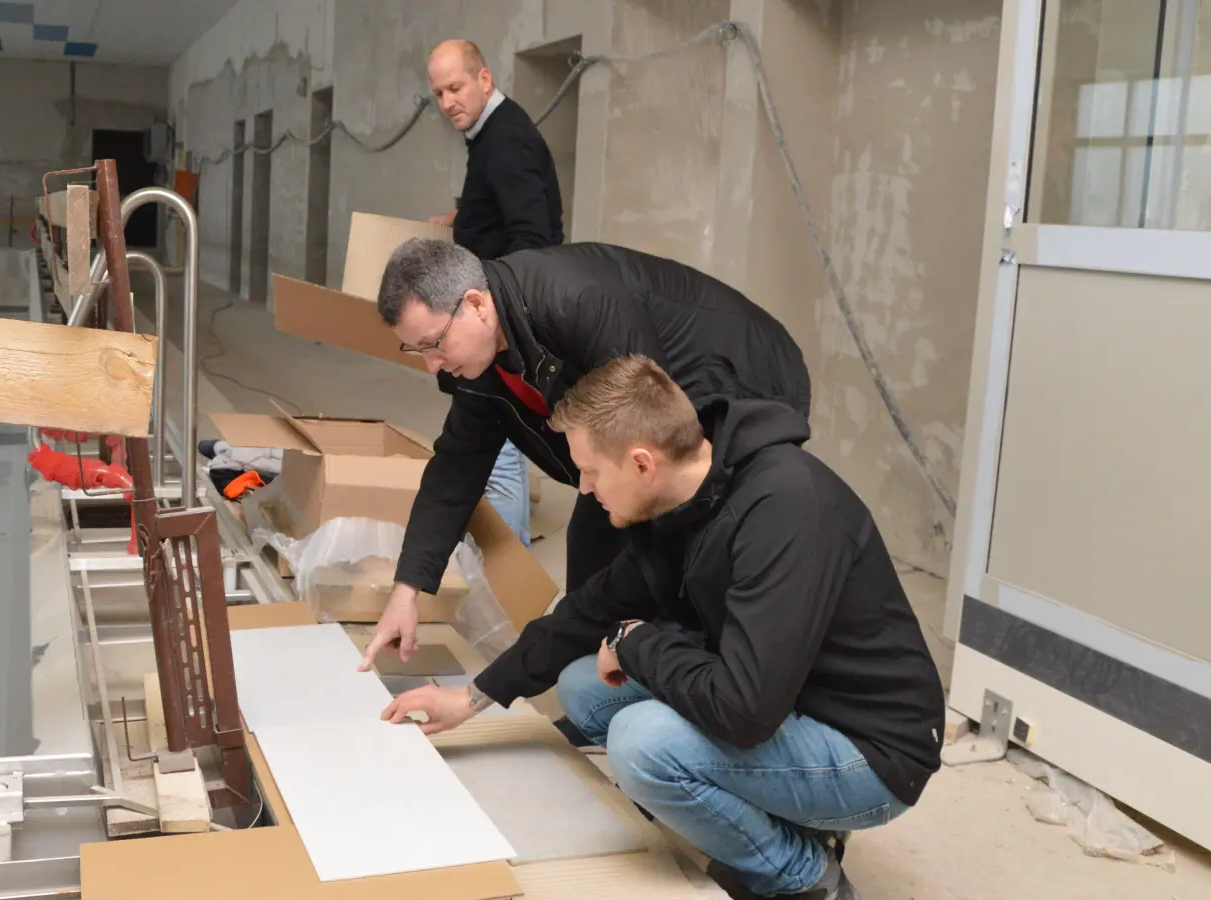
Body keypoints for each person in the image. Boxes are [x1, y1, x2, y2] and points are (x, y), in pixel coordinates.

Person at [381, 355, 946, 900]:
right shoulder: (684, 499)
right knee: (582, 686)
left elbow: (746, 710)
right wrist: (472, 698)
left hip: (869, 751)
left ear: (642, 463)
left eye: (590, 471)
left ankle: (802, 876)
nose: (584, 488)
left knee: (641, 743)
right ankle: (760, 808)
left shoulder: (784, 510)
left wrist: (636, 644)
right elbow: (587, 611)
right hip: (786, 699)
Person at [357, 237, 810, 681]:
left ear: (476, 304)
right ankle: (595, 685)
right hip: (653, 397)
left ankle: (701, 676)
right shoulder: (477, 360)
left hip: (741, 373)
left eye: (434, 343)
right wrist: (407, 589)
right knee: (594, 543)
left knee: (690, 538)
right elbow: (456, 466)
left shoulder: (578, 302)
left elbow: (647, 420)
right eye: (417, 350)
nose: (431, 365)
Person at [424, 37, 566, 548]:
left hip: (503, 323)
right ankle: (504, 569)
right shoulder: (491, 134)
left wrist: (495, 320)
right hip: (495, 317)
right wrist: (462, 217)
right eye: (439, 93)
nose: (447, 102)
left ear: (484, 79)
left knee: (496, 450)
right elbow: (508, 203)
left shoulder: (505, 140)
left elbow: (533, 237)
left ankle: (507, 575)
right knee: (495, 442)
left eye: (456, 87)